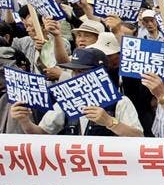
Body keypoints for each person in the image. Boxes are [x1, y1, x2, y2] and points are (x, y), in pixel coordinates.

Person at [10, 48, 143, 137]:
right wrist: (24, 121)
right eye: (74, 71)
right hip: (76, 169)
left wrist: (110, 122)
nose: (75, 76)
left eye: (82, 71)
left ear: (100, 73)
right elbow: (42, 135)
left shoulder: (120, 101)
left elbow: (139, 137)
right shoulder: (66, 101)